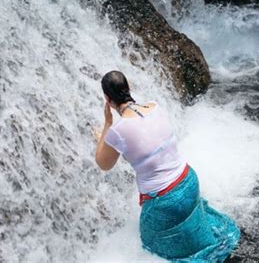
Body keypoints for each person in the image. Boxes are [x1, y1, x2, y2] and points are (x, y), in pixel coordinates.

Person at [95, 70, 240, 262]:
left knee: (152, 248)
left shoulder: (117, 131)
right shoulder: (155, 106)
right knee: (198, 239)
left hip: (164, 202)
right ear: (128, 88)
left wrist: (107, 124)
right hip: (189, 182)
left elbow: (103, 163)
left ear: (107, 98)